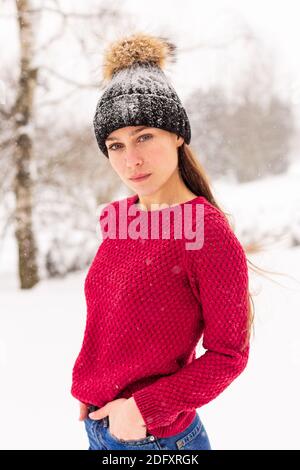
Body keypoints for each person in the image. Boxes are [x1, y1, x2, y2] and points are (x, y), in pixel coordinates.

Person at [70, 33, 253, 451]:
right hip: (103, 429)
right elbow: (112, 319)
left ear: (177, 135)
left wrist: (142, 408)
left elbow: (230, 355)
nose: (129, 159)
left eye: (144, 136)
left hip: (156, 439)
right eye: (115, 145)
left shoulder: (206, 233)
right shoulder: (120, 220)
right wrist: (90, 383)